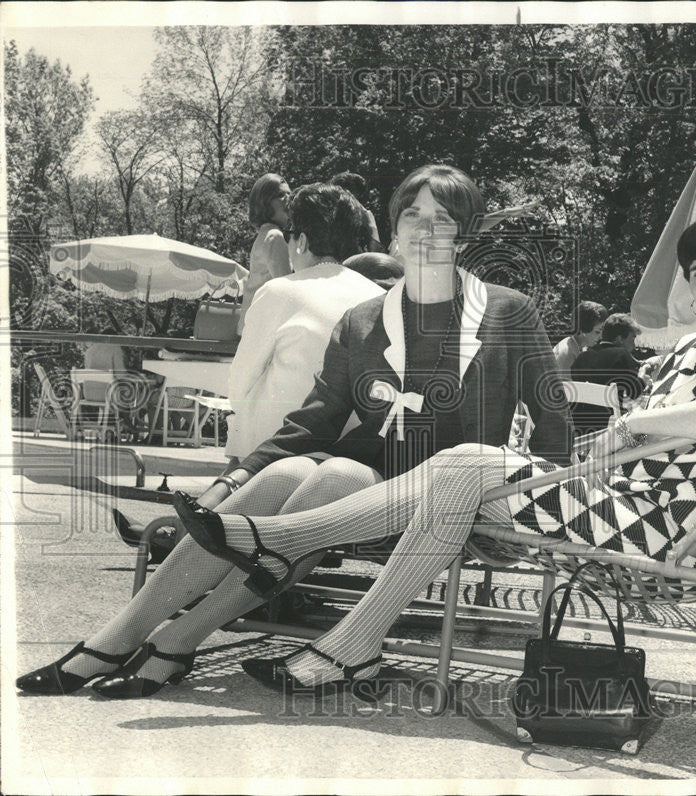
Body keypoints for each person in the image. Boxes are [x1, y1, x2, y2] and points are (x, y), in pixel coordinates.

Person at [156, 202, 696, 694]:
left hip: (663, 537)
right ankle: (342, 633)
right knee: (461, 474)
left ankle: (283, 543)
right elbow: (649, 427)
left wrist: (640, 426)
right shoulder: (694, 352)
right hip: (621, 509)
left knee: (470, 463)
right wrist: (620, 432)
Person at [16, 164, 571, 698]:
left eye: (443, 219)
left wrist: (541, 507)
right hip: (374, 478)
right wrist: (230, 481)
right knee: (293, 468)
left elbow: (553, 419)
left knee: (329, 479)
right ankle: (120, 637)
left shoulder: (507, 311)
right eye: (414, 215)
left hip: (456, 494)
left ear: (464, 235)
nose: (425, 230)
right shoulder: (364, 319)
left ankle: (172, 640)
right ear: (396, 229)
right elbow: (316, 419)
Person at [224, 183, 386, 461]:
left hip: (276, 450)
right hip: (350, 454)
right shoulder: (380, 297)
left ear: (301, 241)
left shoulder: (279, 291)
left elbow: (239, 385)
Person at [569, 312, 645, 434]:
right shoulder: (621, 355)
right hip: (608, 430)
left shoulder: (583, 357)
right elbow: (634, 393)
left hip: (577, 428)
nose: (635, 344)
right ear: (620, 339)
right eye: (633, 338)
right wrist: (643, 377)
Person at [238, 174, 293, 335]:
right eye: (281, 195)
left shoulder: (265, 234)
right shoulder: (274, 236)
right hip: (262, 327)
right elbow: (287, 288)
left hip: (253, 324)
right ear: (264, 202)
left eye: (289, 194)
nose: (288, 199)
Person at [328, 171, 385, 253]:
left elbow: (377, 258)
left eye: (355, 197)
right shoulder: (326, 217)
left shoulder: (364, 217)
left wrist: (372, 228)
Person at [552, 301, 608, 374]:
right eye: (597, 332)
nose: (600, 336)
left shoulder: (581, 348)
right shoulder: (565, 353)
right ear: (583, 329)